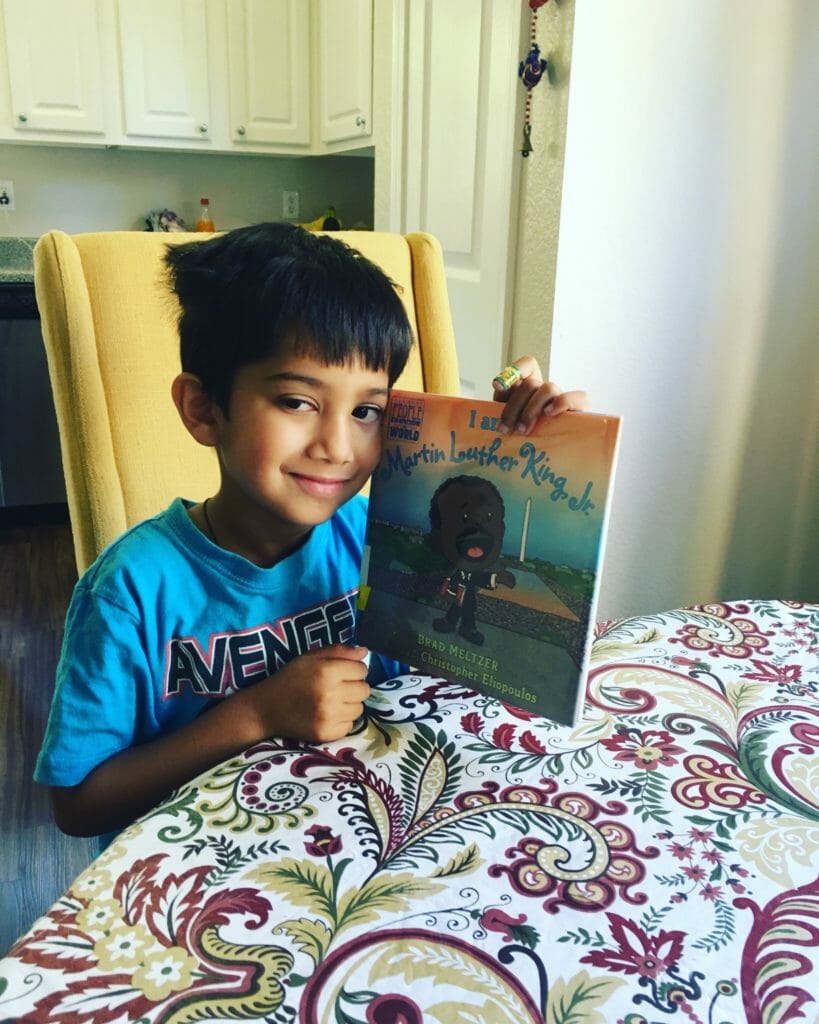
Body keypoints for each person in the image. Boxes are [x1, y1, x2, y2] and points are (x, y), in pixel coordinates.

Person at [34, 222, 587, 844]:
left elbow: (479, 635)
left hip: (358, 838)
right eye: (298, 401)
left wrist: (511, 448)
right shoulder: (130, 591)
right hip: (199, 876)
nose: (336, 447)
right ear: (203, 408)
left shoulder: (375, 535)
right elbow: (78, 805)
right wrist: (258, 714)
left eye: (366, 411)